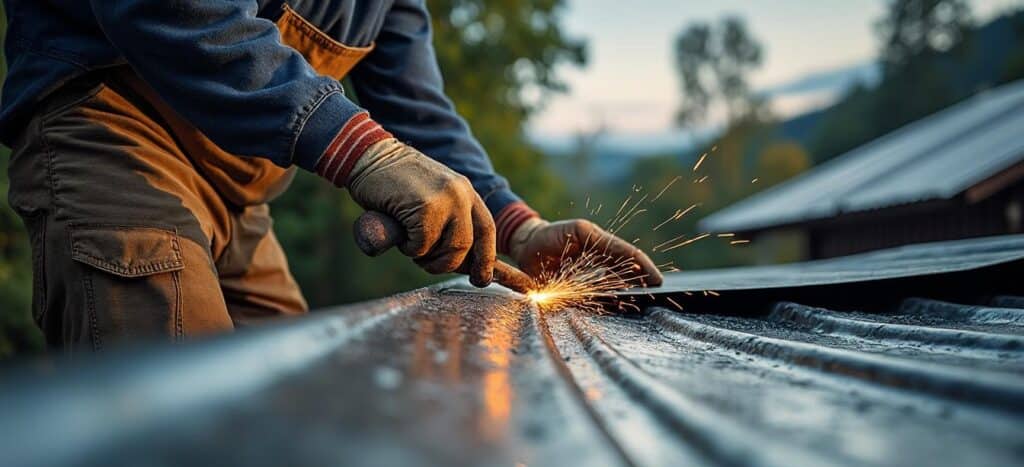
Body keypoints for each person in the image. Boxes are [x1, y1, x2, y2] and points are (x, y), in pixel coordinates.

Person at [0, 0, 662, 351]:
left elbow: (416, 112)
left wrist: (519, 228)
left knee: (293, 400)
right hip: (114, 132)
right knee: (178, 458)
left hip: (241, 196)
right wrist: (362, 152)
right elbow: (164, 8)